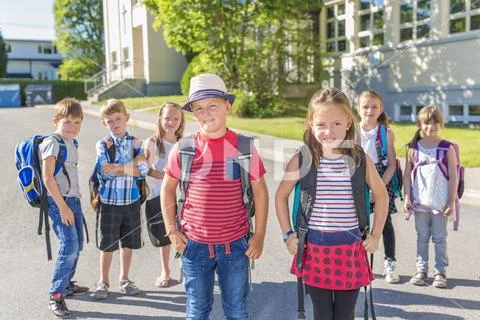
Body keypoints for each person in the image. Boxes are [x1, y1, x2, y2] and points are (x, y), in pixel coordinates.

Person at [161, 73, 269, 319]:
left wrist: (260, 235)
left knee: (237, 311)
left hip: (235, 245)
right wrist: (172, 232)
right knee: (197, 311)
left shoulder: (243, 147)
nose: (205, 113)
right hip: (193, 245)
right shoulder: (184, 148)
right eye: (198, 108)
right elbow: (168, 188)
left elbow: (260, 191)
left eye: (212, 105)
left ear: (227, 106)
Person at [275, 88, 388, 320]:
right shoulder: (302, 159)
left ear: (349, 121)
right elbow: (280, 196)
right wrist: (288, 234)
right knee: (322, 314)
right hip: (314, 249)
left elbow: (382, 195)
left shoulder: (360, 159)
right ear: (311, 124)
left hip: (351, 249)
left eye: (337, 123)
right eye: (322, 124)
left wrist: (375, 235)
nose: (329, 131)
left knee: (345, 315)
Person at [92, 99, 148, 300]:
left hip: (131, 201)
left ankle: (125, 279)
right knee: (107, 245)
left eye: (118, 119)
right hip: (109, 203)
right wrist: (129, 166)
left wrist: (118, 167)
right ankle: (103, 282)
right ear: (104, 124)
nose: (115, 124)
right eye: (110, 121)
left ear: (127, 118)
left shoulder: (137, 142)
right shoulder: (103, 144)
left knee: (128, 244)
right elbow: (105, 172)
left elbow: (142, 171)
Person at [40, 98, 89, 318]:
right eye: (68, 122)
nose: (73, 127)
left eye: (77, 122)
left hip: (73, 200)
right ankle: (56, 295)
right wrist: (63, 207)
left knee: (77, 244)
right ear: (56, 121)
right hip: (60, 202)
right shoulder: (53, 142)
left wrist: (74, 203)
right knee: (69, 246)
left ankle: (67, 284)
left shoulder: (73, 143)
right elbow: (48, 177)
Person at [403, 105, 457, 288]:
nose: (431, 126)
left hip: (440, 203)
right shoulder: (413, 148)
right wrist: (407, 198)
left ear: (440, 124)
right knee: (422, 236)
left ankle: (440, 272)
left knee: (440, 237)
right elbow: (407, 174)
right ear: (420, 124)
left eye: (435, 122)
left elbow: (453, 177)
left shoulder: (446, 148)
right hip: (419, 202)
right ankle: (421, 270)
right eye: (427, 123)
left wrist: (451, 202)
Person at [357, 90, 400, 283]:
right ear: (358, 109)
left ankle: (390, 262)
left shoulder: (386, 133)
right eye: (365, 106)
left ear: (381, 109)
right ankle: (359, 263)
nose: (369, 110)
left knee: (385, 224)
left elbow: (391, 164)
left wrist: (378, 189)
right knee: (359, 224)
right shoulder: (352, 131)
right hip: (358, 181)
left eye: (374, 107)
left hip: (381, 179)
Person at [144, 102, 184, 288]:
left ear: (181, 121)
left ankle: (187, 269)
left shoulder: (184, 143)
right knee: (163, 236)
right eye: (167, 118)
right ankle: (165, 272)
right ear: (160, 119)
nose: (171, 122)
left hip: (182, 198)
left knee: (184, 234)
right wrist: (166, 176)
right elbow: (144, 168)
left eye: (175, 118)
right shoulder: (153, 142)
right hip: (157, 196)